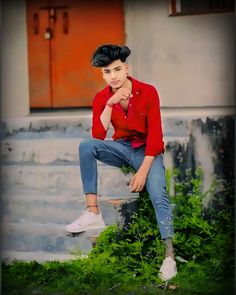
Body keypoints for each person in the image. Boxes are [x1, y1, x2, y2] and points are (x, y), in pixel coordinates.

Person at [66, 44, 177, 281]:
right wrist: (109, 104)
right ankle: (93, 211)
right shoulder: (102, 98)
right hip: (121, 148)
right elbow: (98, 135)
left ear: (126, 68)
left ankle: (170, 257)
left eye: (116, 70)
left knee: (159, 196)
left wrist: (143, 172)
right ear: (102, 74)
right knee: (85, 145)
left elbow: (156, 138)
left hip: (148, 152)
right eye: (107, 72)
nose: (113, 77)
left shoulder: (148, 92)